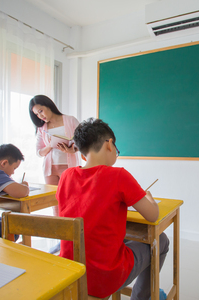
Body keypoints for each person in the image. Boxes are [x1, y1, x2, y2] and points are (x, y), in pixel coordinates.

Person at [57, 118, 169, 300]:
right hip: (104, 277)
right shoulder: (119, 175)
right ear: (109, 144)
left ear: (84, 155)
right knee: (161, 240)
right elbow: (152, 216)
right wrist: (150, 199)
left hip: (71, 270)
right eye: (116, 149)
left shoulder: (66, 176)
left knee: (119, 235)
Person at [29, 95, 81, 187]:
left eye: (41, 111)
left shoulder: (71, 120)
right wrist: (49, 145)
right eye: (37, 114)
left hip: (68, 166)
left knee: (68, 197)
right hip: (49, 169)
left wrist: (73, 150)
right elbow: (39, 153)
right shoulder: (41, 128)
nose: (40, 116)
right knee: (52, 199)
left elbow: (83, 142)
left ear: (48, 105)